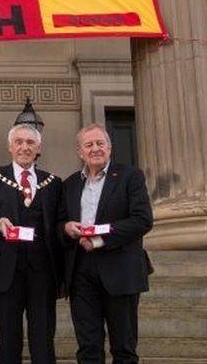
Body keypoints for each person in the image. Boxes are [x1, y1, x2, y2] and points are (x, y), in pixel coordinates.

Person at [59, 124, 153, 364]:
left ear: (110, 148)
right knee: (88, 347)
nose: (95, 149)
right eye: (88, 145)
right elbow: (60, 221)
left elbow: (142, 220)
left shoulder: (130, 176)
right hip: (81, 271)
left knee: (124, 347)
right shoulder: (69, 184)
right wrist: (66, 227)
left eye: (100, 143)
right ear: (80, 152)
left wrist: (99, 240)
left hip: (120, 268)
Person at [0, 124, 63, 364]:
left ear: (38, 148)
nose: (24, 147)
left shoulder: (53, 183)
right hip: (5, 270)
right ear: (10, 147)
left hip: (42, 271)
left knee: (43, 338)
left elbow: (59, 223)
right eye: (19, 142)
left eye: (30, 143)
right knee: (8, 339)